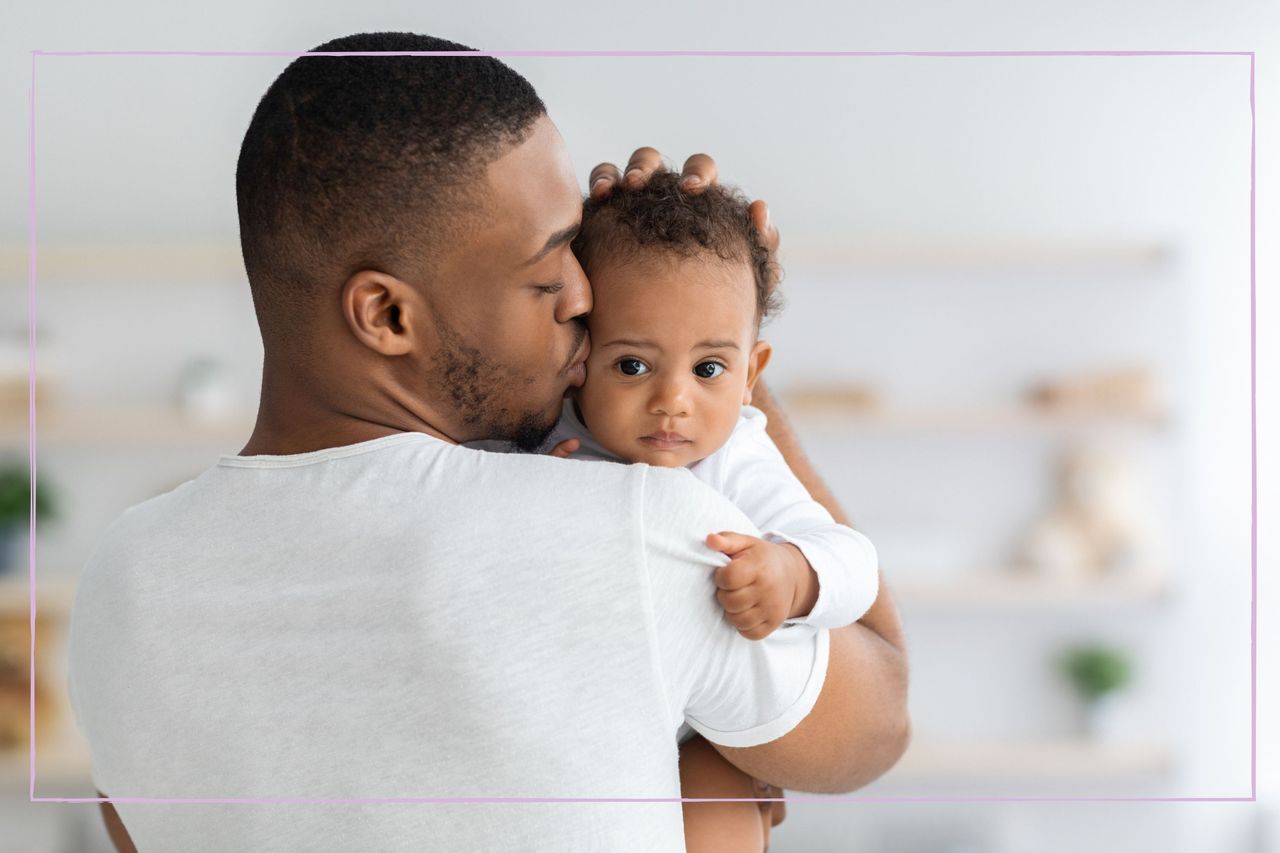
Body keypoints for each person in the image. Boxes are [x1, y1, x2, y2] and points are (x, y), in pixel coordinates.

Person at [67, 31, 910, 853]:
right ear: (388, 315)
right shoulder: (637, 530)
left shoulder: (122, 579)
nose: (586, 297)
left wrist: (665, 325)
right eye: (548, 270)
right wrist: (717, 332)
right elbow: (878, 717)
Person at [488, 169, 883, 849]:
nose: (674, 400)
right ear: (580, 355)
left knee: (716, 783)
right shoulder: (544, 441)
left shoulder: (734, 454)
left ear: (751, 372)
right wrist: (523, 496)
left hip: (704, 731)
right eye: (634, 366)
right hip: (582, 731)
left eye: (708, 370)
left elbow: (854, 561)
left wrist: (791, 573)